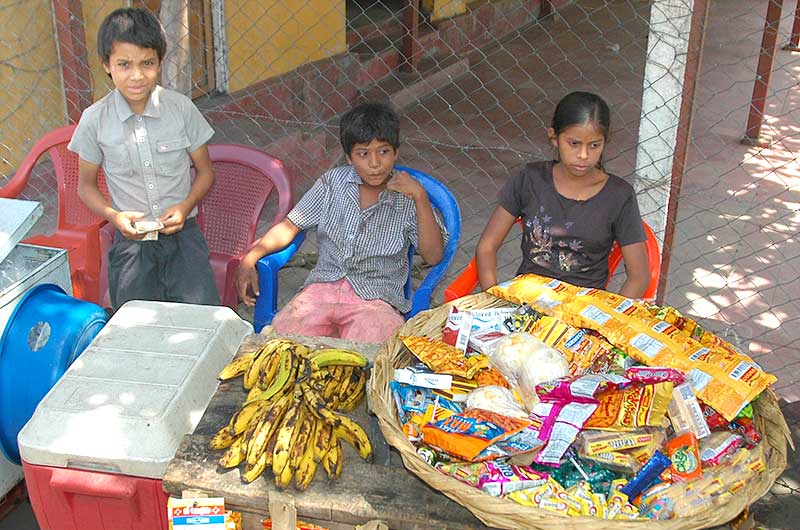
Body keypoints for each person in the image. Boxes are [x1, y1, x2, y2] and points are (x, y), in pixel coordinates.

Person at [236, 101, 447, 343]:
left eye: (384, 151)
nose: (375, 163)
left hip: (375, 299)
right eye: (363, 154)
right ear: (348, 157)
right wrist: (251, 256)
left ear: (396, 152)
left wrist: (420, 197)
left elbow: (433, 256)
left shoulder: (408, 197)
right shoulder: (332, 184)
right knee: (283, 345)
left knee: (369, 357)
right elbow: (290, 225)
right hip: (320, 291)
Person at [69, 7, 219, 309]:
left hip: (184, 240)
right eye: (124, 64)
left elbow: (206, 173)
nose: (136, 76)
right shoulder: (94, 120)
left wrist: (186, 206)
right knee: (134, 326)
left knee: (201, 320)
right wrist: (114, 216)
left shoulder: (181, 109)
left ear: (160, 62)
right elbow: (85, 186)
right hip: (132, 247)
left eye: (147, 63)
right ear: (107, 65)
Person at [476, 91, 650, 298]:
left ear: (605, 142)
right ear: (554, 137)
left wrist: (607, 321)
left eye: (594, 145)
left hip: (584, 311)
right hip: (526, 302)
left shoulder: (619, 196)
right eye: (574, 143)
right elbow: (487, 247)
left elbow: (639, 277)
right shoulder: (530, 179)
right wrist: (494, 301)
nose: (584, 155)